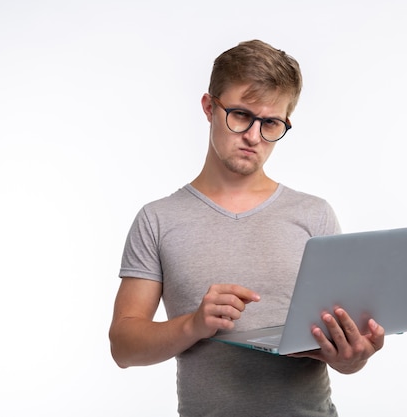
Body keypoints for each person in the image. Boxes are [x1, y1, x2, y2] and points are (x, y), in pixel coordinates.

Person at [109, 39, 385, 417]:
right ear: (209, 107)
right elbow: (123, 347)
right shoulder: (158, 219)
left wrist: (352, 357)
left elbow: (343, 353)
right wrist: (193, 324)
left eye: (271, 123)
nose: (254, 137)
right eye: (240, 115)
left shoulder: (314, 215)